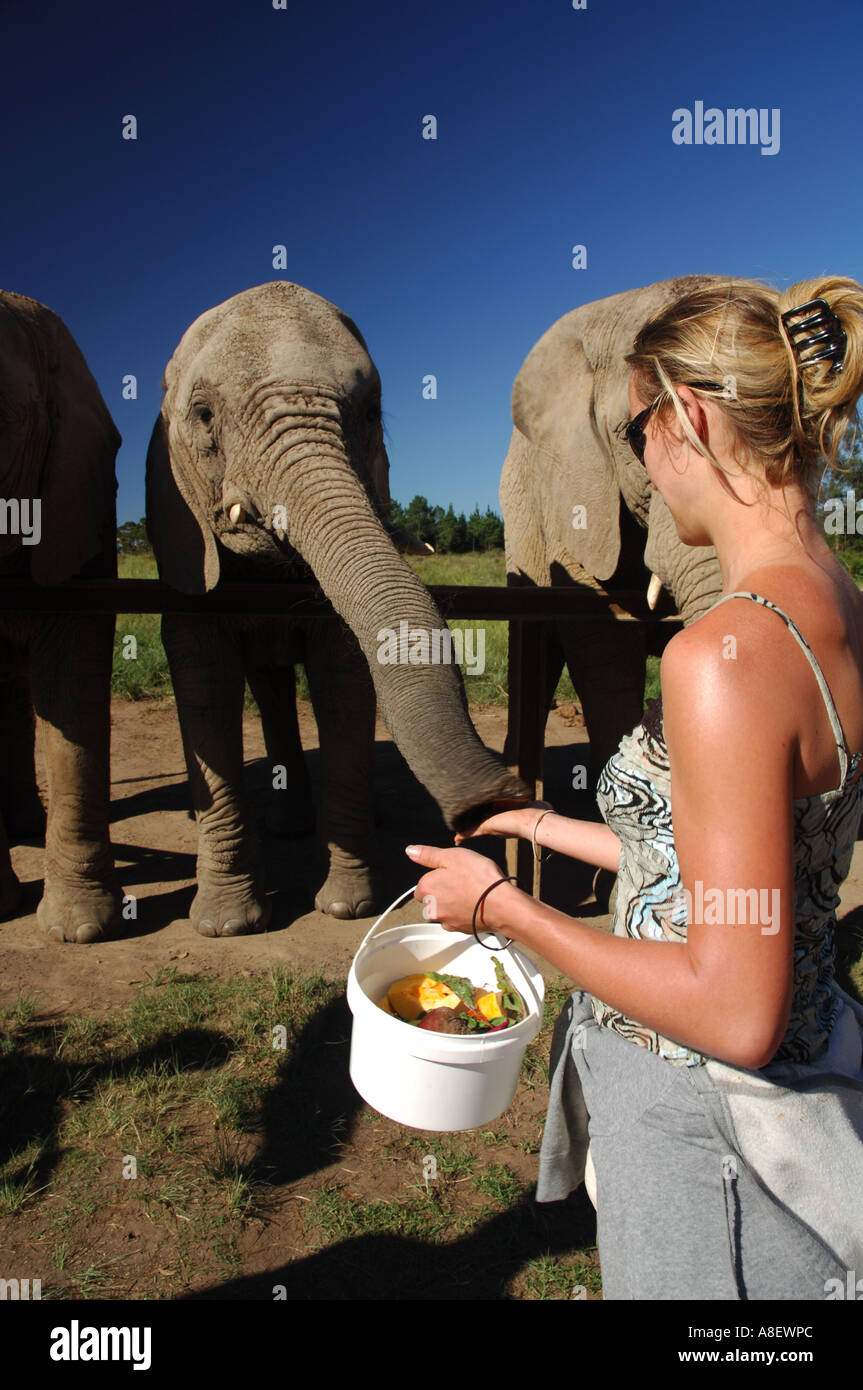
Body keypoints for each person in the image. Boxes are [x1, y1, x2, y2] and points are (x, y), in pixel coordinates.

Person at [405, 275, 863, 1300]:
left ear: (688, 416)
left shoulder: (721, 655)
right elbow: (731, 861)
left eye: (639, 427)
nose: (646, 464)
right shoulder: (842, 611)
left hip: (706, 1133)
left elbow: (733, 1009)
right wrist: (535, 823)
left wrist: (504, 910)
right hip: (808, 1083)